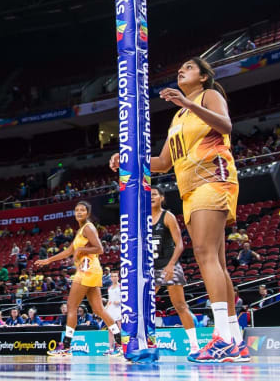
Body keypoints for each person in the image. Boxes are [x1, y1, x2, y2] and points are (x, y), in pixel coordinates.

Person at [110, 58, 246, 363]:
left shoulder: (209, 95)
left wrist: (188, 102)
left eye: (189, 67)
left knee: (205, 254)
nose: (181, 70)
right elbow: (162, 163)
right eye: (180, 67)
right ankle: (235, 339)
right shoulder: (178, 117)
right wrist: (128, 160)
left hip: (213, 177)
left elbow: (225, 125)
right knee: (217, 262)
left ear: (203, 76)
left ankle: (222, 338)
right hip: (189, 188)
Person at [34, 201, 122, 358]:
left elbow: (100, 249)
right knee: (98, 309)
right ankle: (120, 341)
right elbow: (69, 251)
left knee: (71, 306)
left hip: (87, 270)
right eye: (77, 210)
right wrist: (48, 260)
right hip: (89, 270)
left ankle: (66, 346)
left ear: (88, 213)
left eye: (82, 210)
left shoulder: (88, 227)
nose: (79, 212)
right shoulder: (81, 230)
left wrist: (81, 249)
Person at [151, 187, 199, 354]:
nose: (151, 197)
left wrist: (171, 264)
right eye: (148, 195)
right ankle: (145, 343)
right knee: (143, 307)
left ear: (162, 198)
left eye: (154, 194)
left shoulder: (167, 216)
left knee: (179, 305)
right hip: (152, 267)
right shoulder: (143, 219)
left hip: (169, 264)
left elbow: (180, 244)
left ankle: (194, 345)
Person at [103, 270, 122, 352]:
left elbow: (126, 298)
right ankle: (111, 348)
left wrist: (119, 301)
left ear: (118, 277)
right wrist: (105, 309)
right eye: (112, 276)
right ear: (110, 278)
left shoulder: (121, 286)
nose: (114, 278)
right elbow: (109, 300)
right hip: (111, 309)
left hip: (119, 308)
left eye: (115, 276)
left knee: (120, 327)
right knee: (110, 329)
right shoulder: (109, 288)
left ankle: (121, 346)